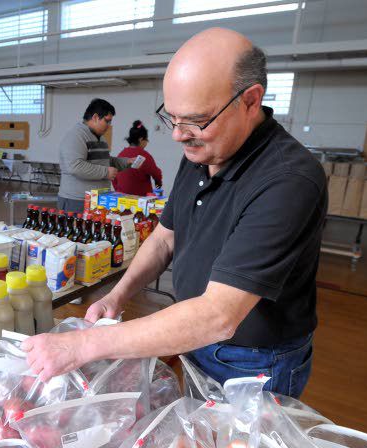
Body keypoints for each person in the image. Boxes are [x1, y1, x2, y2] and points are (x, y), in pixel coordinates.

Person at [21, 28, 327, 398]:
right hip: (194, 335)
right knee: (196, 444)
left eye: (195, 120)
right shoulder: (204, 153)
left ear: (250, 101)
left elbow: (218, 315)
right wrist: (117, 295)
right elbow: (165, 238)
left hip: (254, 359)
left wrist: (81, 347)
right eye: (172, 118)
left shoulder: (287, 179)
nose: (178, 136)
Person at [57, 99, 132, 213]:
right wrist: (106, 172)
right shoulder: (76, 136)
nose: (109, 125)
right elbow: (75, 166)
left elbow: (104, 161)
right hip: (76, 201)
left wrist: (127, 162)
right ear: (95, 117)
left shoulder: (99, 137)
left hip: (97, 200)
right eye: (107, 121)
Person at [113, 120, 163, 196]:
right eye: (146, 140)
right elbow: (156, 174)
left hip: (121, 200)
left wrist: (119, 191)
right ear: (141, 139)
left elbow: (114, 177)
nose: (147, 142)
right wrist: (158, 185)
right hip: (140, 202)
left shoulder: (121, 154)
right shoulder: (144, 155)